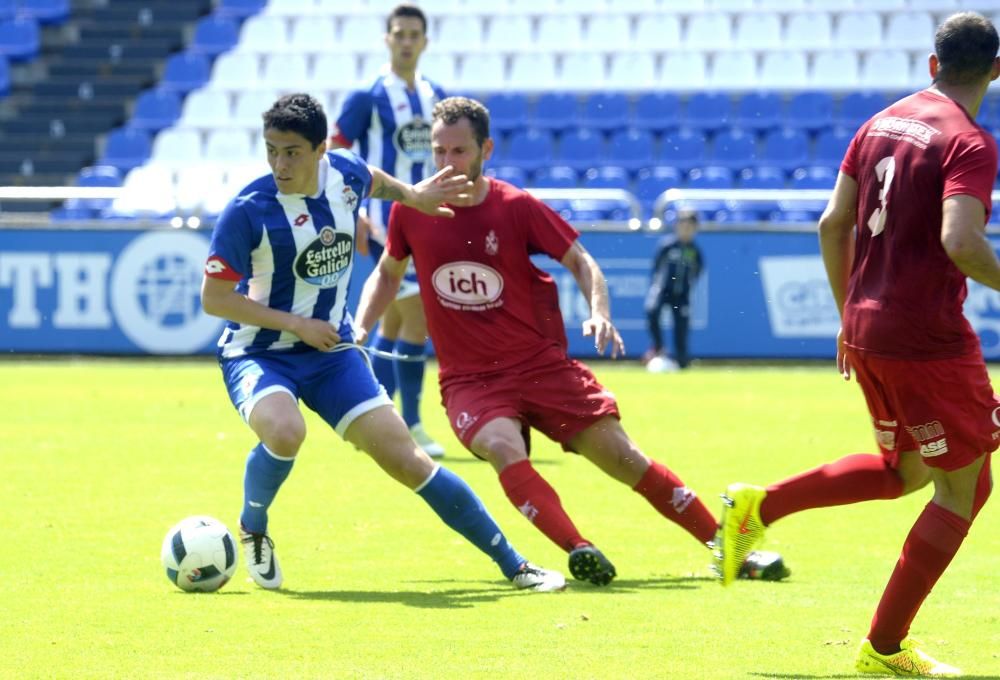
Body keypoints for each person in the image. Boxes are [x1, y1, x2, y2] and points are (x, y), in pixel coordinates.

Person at [355, 96, 788, 586]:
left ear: (486, 150)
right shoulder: (411, 211)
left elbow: (581, 261)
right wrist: (361, 326)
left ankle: (728, 550)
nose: (446, 163)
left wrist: (600, 312)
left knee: (625, 459)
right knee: (501, 445)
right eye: (438, 152)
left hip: (541, 366)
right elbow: (388, 274)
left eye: (458, 151)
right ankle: (578, 548)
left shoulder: (516, 207)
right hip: (472, 380)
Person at [714, 12, 1000, 676]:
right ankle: (884, 647)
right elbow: (961, 243)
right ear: (995, 69)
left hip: (870, 327)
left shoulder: (879, 122)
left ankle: (761, 506)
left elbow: (831, 222)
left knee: (907, 472)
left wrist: (850, 314)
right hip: (925, 339)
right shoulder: (970, 142)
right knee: (965, 487)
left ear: (932, 65)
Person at [201, 93, 565, 594]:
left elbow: (375, 179)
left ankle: (515, 565)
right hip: (259, 352)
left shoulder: (344, 173)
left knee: (409, 461)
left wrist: (413, 196)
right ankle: (254, 527)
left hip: (330, 354)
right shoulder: (248, 211)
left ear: (321, 149)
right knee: (285, 432)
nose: (279, 164)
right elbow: (215, 299)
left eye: (292, 152)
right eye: (271, 150)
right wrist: (296, 323)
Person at [328, 3, 445, 457]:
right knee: (418, 315)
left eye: (414, 34)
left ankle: (374, 418)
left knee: (396, 320)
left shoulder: (436, 95)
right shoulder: (368, 96)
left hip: (427, 222)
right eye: (399, 33)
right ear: (387, 39)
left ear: (425, 41)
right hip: (382, 222)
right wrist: (353, 208)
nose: (407, 41)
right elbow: (337, 151)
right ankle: (411, 422)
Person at [643, 209, 703, 373]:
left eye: (689, 226)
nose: (685, 229)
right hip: (663, 291)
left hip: (682, 295)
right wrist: (658, 285)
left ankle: (682, 360)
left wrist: (687, 286)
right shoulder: (667, 246)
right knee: (652, 311)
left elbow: (698, 271)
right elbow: (656, 268)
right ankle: (659, 348)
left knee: (681, 326)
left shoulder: (695, 251)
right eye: (682, 225)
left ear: (695, 228)